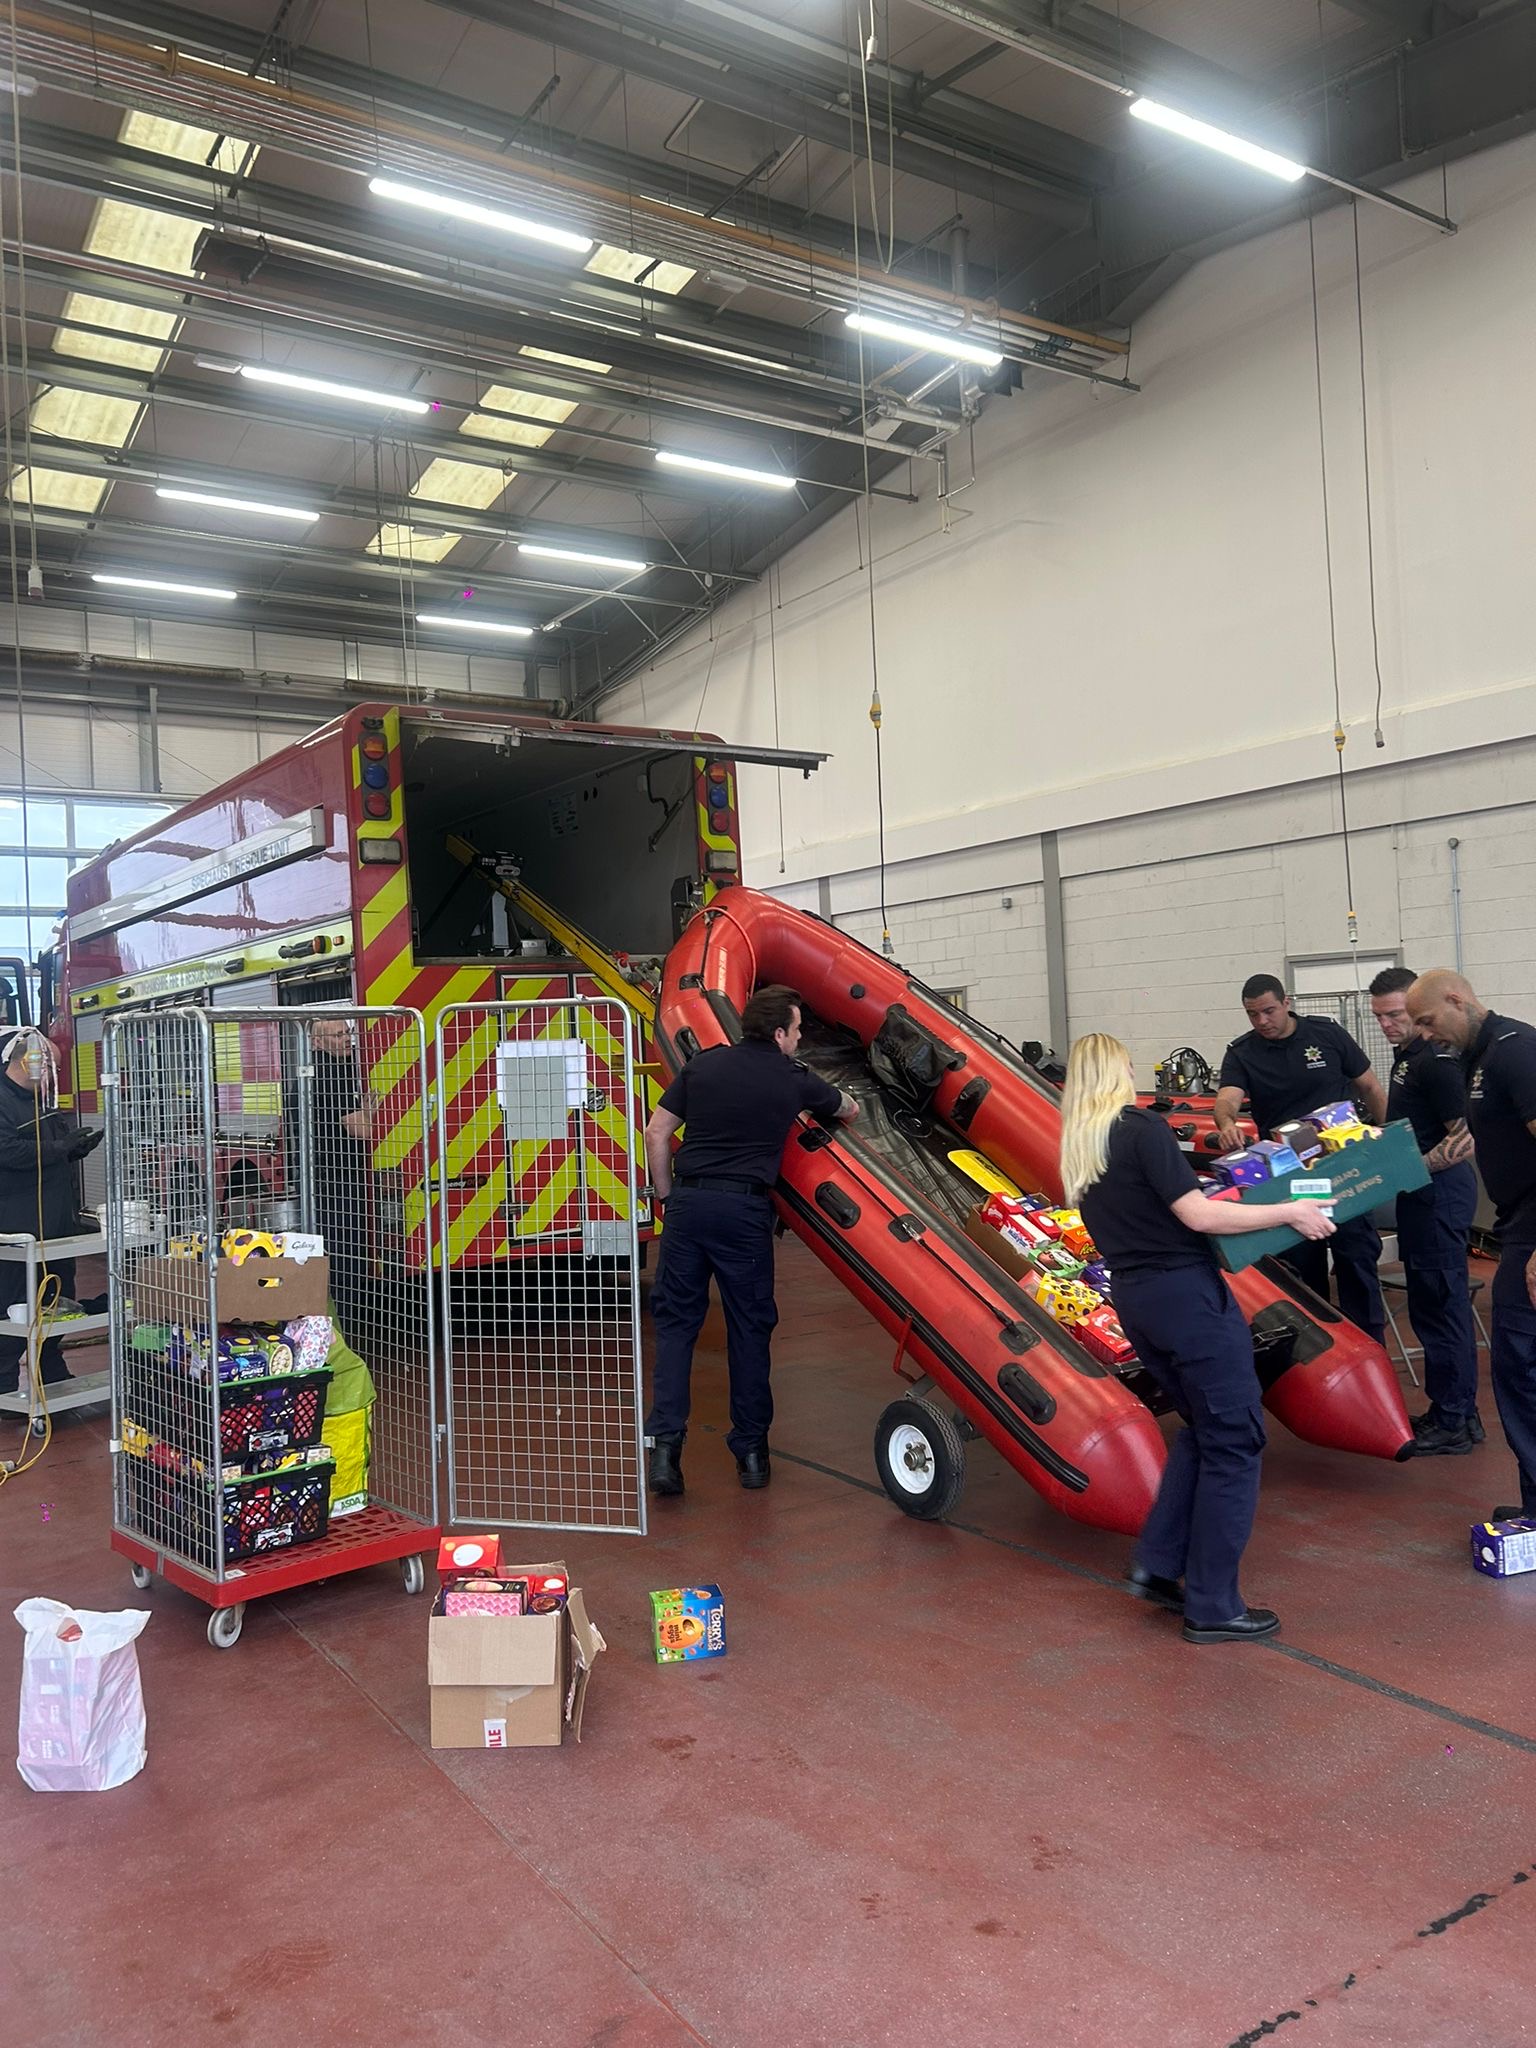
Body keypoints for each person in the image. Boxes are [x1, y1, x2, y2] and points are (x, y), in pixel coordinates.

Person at [1062, 1032, 1336, 1643]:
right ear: (1116, 1072)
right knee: (1236, 1439)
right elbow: (1198, 1215)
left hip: (1137, 1301)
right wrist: (1288, 1211)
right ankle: (1214, 1605)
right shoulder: (1140, 1129)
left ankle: (1160, 1564)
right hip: (1187, 1301)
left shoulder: (1082, 1146)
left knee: (1202, 1429)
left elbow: (1164, 1207)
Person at [644, 985, 858, 1496]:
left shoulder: (703, 1066)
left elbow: (656, 1134)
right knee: (748, 1329)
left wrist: (668, 1197)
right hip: (743, 1212)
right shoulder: (791, 1077)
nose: (800, 1040)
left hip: (689, 1206)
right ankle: (752, 1454)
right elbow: (848, 1109)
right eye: (798, 1031)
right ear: (780, 1032)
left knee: (676, 1328)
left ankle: (665, 1452)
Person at [1405, 970, 1536, 1521]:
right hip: (1517, 1225)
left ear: (1457, 1000)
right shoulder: (1476, 1059)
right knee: (1519, 1371)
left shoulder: (1515, 1051)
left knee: (1521, 1366)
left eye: (1427, 1020)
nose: (1424, 1033)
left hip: (1533, 1229)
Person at [1212, 973, 1387, 1342]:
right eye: (1253, 1014)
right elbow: (1227, 1099)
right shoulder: (1243, 1052)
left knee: (1357, 1259)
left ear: (1286, 1003)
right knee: (1303, 1271)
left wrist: (1389, 1139)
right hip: (1289, 1177)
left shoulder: (1326, 1034)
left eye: (1269, 1011)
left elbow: (1370, 1086)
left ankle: (1371, 1344)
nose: (1262, 1021)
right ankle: (1322, 1350)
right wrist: (1227, 1123)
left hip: (1341, 1167)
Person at [1368, 967, 1483, 1455]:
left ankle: (1454, 1419)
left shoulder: (1435, 1062)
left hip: (1439, 1196)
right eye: (1380, 1017)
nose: (1388, 1025)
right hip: (1419, 1196)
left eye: (1396, 1015)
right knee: (1430, 1306)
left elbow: (1465, 1137)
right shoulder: (1408, 1058)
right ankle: (1453, 1411)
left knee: (1441, 1306)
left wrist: (1414, 1167)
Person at [0, 1028, 103, 1400]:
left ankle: (51, 1369)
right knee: (14, 1302)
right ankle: (4, 1382)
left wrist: (74, 1149)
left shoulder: (43, 1101)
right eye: (50, 1067)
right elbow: (7, 1151)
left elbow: (50, 1150)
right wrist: (59, 1148)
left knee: (59, 1296)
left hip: (57, 1221)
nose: (54, 1075)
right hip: (17, 1223)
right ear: (27, 1061)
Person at [308, 1016, 373, 1341]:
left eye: (348, 1032)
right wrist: (372, 1112)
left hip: (322, 1180)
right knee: (347, 1260)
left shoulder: (313, 1073)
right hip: (339, 1181)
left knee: (334, 1256)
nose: (347, 1039)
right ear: (318, 1042)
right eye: (338, 1035)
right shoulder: (333, 1077)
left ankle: (338, 1330)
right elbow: (362, 1130)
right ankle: (347, 1334)